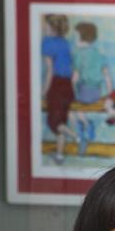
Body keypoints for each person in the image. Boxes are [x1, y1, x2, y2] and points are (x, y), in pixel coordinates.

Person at [41, 14, 78, 164]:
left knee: (53, 122)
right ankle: (60, 155)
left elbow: (50, 70)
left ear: (53, 29)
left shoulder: (47, 43)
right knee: (61, 120)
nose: (44, 28)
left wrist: (44, 91)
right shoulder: (65, 43)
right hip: (67, 85)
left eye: (47, 26)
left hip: (56, 85)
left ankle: (76, 136)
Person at [70, 21, 112, 154]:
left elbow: (75, 78)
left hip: (84, 92)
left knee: (73, 110)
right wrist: (109, 94)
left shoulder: (79, 55)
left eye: (75, 36)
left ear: (82, 37)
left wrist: (72, 89)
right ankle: (86, 129)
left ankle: (85, 127)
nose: (74, 39)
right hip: (97, 92)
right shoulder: (100, 55)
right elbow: (107, 77)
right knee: (77, 109)